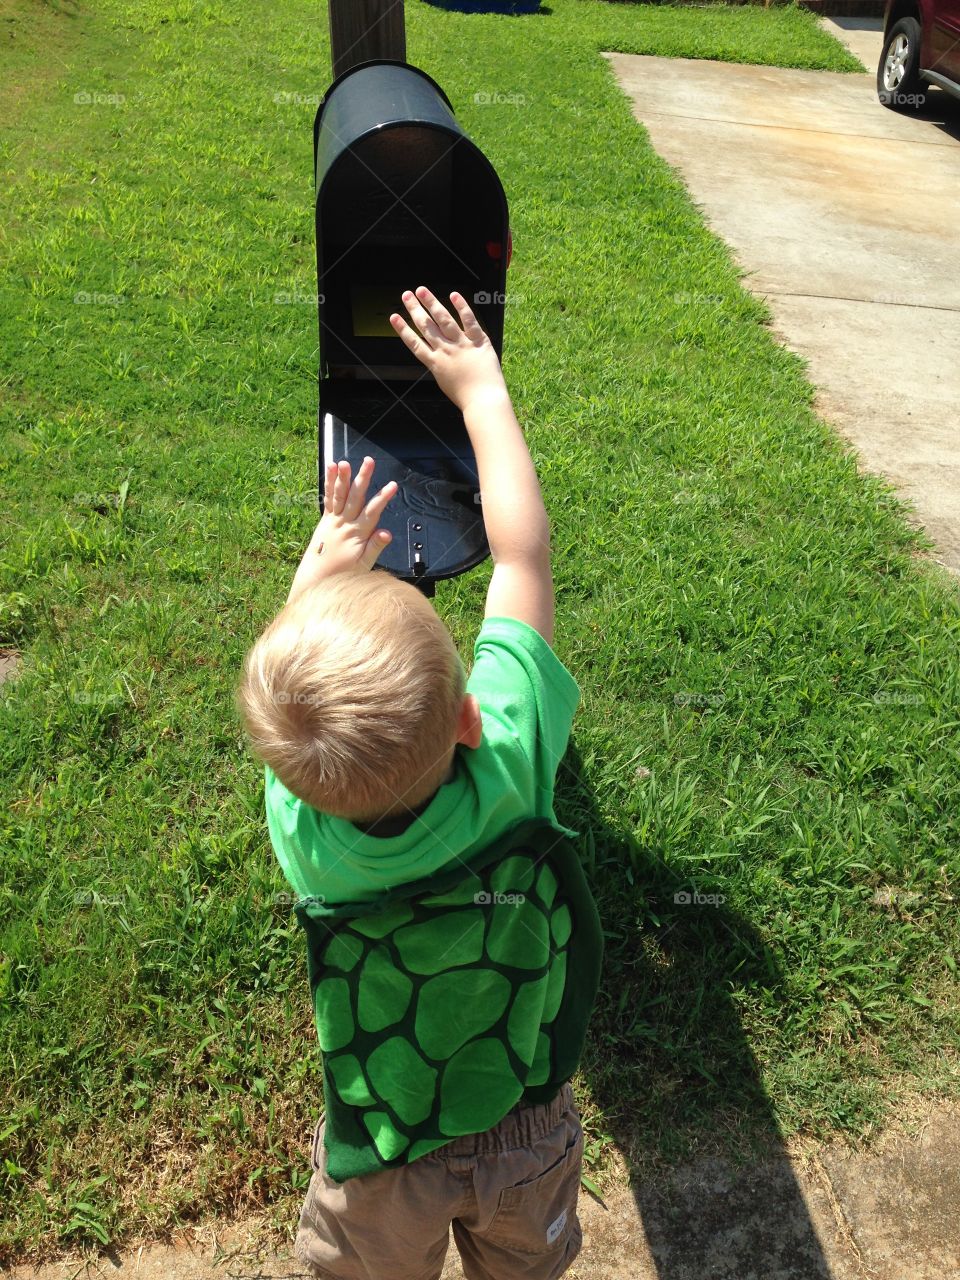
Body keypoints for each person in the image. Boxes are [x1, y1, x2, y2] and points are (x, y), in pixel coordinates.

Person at [237, 286, 602, 1280]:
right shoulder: (510, 767)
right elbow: (523, 556)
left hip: (382, 1141)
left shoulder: (308, 833)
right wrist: (482, 391)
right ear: (469, 718)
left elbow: (294, 716)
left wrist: (319, 571)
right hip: (523, 1122)